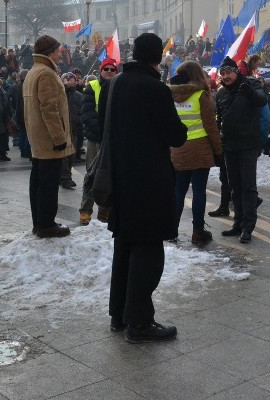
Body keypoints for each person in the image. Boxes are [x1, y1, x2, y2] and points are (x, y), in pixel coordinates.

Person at [104, 33, 187, 343]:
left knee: (124, 247)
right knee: (148, 251)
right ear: (156, 57)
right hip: (148, 182)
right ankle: (139, 322)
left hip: (122, 179)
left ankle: (119, 314)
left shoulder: (118, 83)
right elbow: (175, 135)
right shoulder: (154, 88)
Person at [23, 35, 73, 238]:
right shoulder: (46, 74)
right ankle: (46, 224)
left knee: (38, 180)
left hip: (38, 138)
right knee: (48, 184)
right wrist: (59, 138)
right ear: (50, 52)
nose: (60, 54)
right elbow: (49, 109)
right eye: (58, 50)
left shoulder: (34, 71)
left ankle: (40, 222)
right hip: (49, 139)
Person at [214, 56, 268, 243]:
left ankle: (248, 227)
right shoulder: (220, 92)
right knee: (234, 186)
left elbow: (262, 101)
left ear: (236, 72)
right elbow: (219, 117)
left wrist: (250, 94)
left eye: (229, 72)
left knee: (248, 186)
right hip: (229, 145)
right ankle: (237, 223)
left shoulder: (251, 84)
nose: (225, 76)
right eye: (223, 73)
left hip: (247, 145)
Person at [169, 61, 221, 244]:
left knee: (178, 191)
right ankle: (198, 231)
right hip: (200, 149)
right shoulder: (201, 95)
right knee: (199, 191)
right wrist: (218, 150)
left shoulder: (172, 96)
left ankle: (172, 230)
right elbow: (210, 126)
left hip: (178, 148)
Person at [78, 58, 118, 226]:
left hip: (112, 140)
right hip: (96, 138)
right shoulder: (92, 86)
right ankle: (86, 210)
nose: (109, 72)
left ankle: (105, 210)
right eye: (106, 69)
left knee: (110, 175)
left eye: (112, 69)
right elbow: (87, 113)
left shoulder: (119, 87)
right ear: (101, 70)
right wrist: (102, 132)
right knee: (92, 175)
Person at [59, 72, 82, 189]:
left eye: (71, 79)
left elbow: (82, 111)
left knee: (72, 154)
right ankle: (66, 178)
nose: (69, 81)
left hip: (74, 128)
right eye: (66, 79)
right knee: (64, 154)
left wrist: (79, 120)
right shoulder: (60, 93)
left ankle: (64, 176)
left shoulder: (78, 95)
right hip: (62, 128)